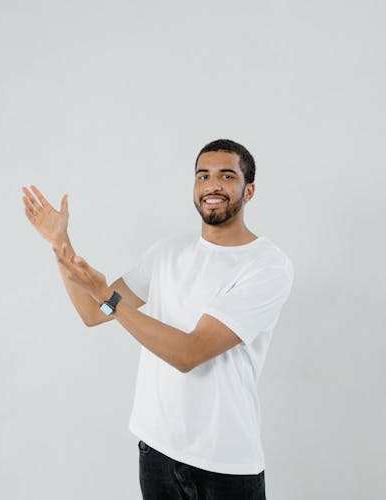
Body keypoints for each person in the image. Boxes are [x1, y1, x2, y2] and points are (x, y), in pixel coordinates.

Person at [22, 139, 293, 500]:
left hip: (226, 462)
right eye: (203, 176)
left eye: (226, 176)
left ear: (250, 190)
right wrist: (60, 244)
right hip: (158, 452)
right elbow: (93, 313)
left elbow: (189, 353)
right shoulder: (167, 253)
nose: (212, 185)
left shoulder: (267, 265)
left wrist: (108, 298)